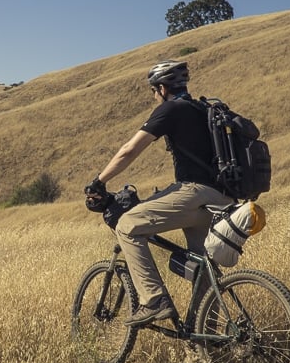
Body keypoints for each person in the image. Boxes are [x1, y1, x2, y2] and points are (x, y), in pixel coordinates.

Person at [85, 60, 232, 327]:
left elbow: (129, 150)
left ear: (162, 88)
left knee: (128, 226)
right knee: (202, 267)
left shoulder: (171, 109)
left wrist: (99, 181)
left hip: (194, 193)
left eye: (154, 91)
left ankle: (153, 300)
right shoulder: (203, 109)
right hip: (221, 200)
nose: (154, 96)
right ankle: (205, 343)